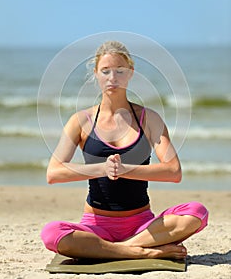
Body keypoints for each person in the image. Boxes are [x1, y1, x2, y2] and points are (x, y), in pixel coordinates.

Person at [41, 40, 208, 260]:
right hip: (96, 226)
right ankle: (139, 253)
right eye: (106, 71)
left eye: (120, 71)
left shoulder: (149, 119)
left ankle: (123, 249)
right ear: (96, 74)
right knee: (51, 234)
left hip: (142, 227)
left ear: (130, 73)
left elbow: (173, 171)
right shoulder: (81, 121)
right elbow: (53, 173)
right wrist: (103, 168)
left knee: (197, 212)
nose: (113, 78)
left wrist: (124, 169)